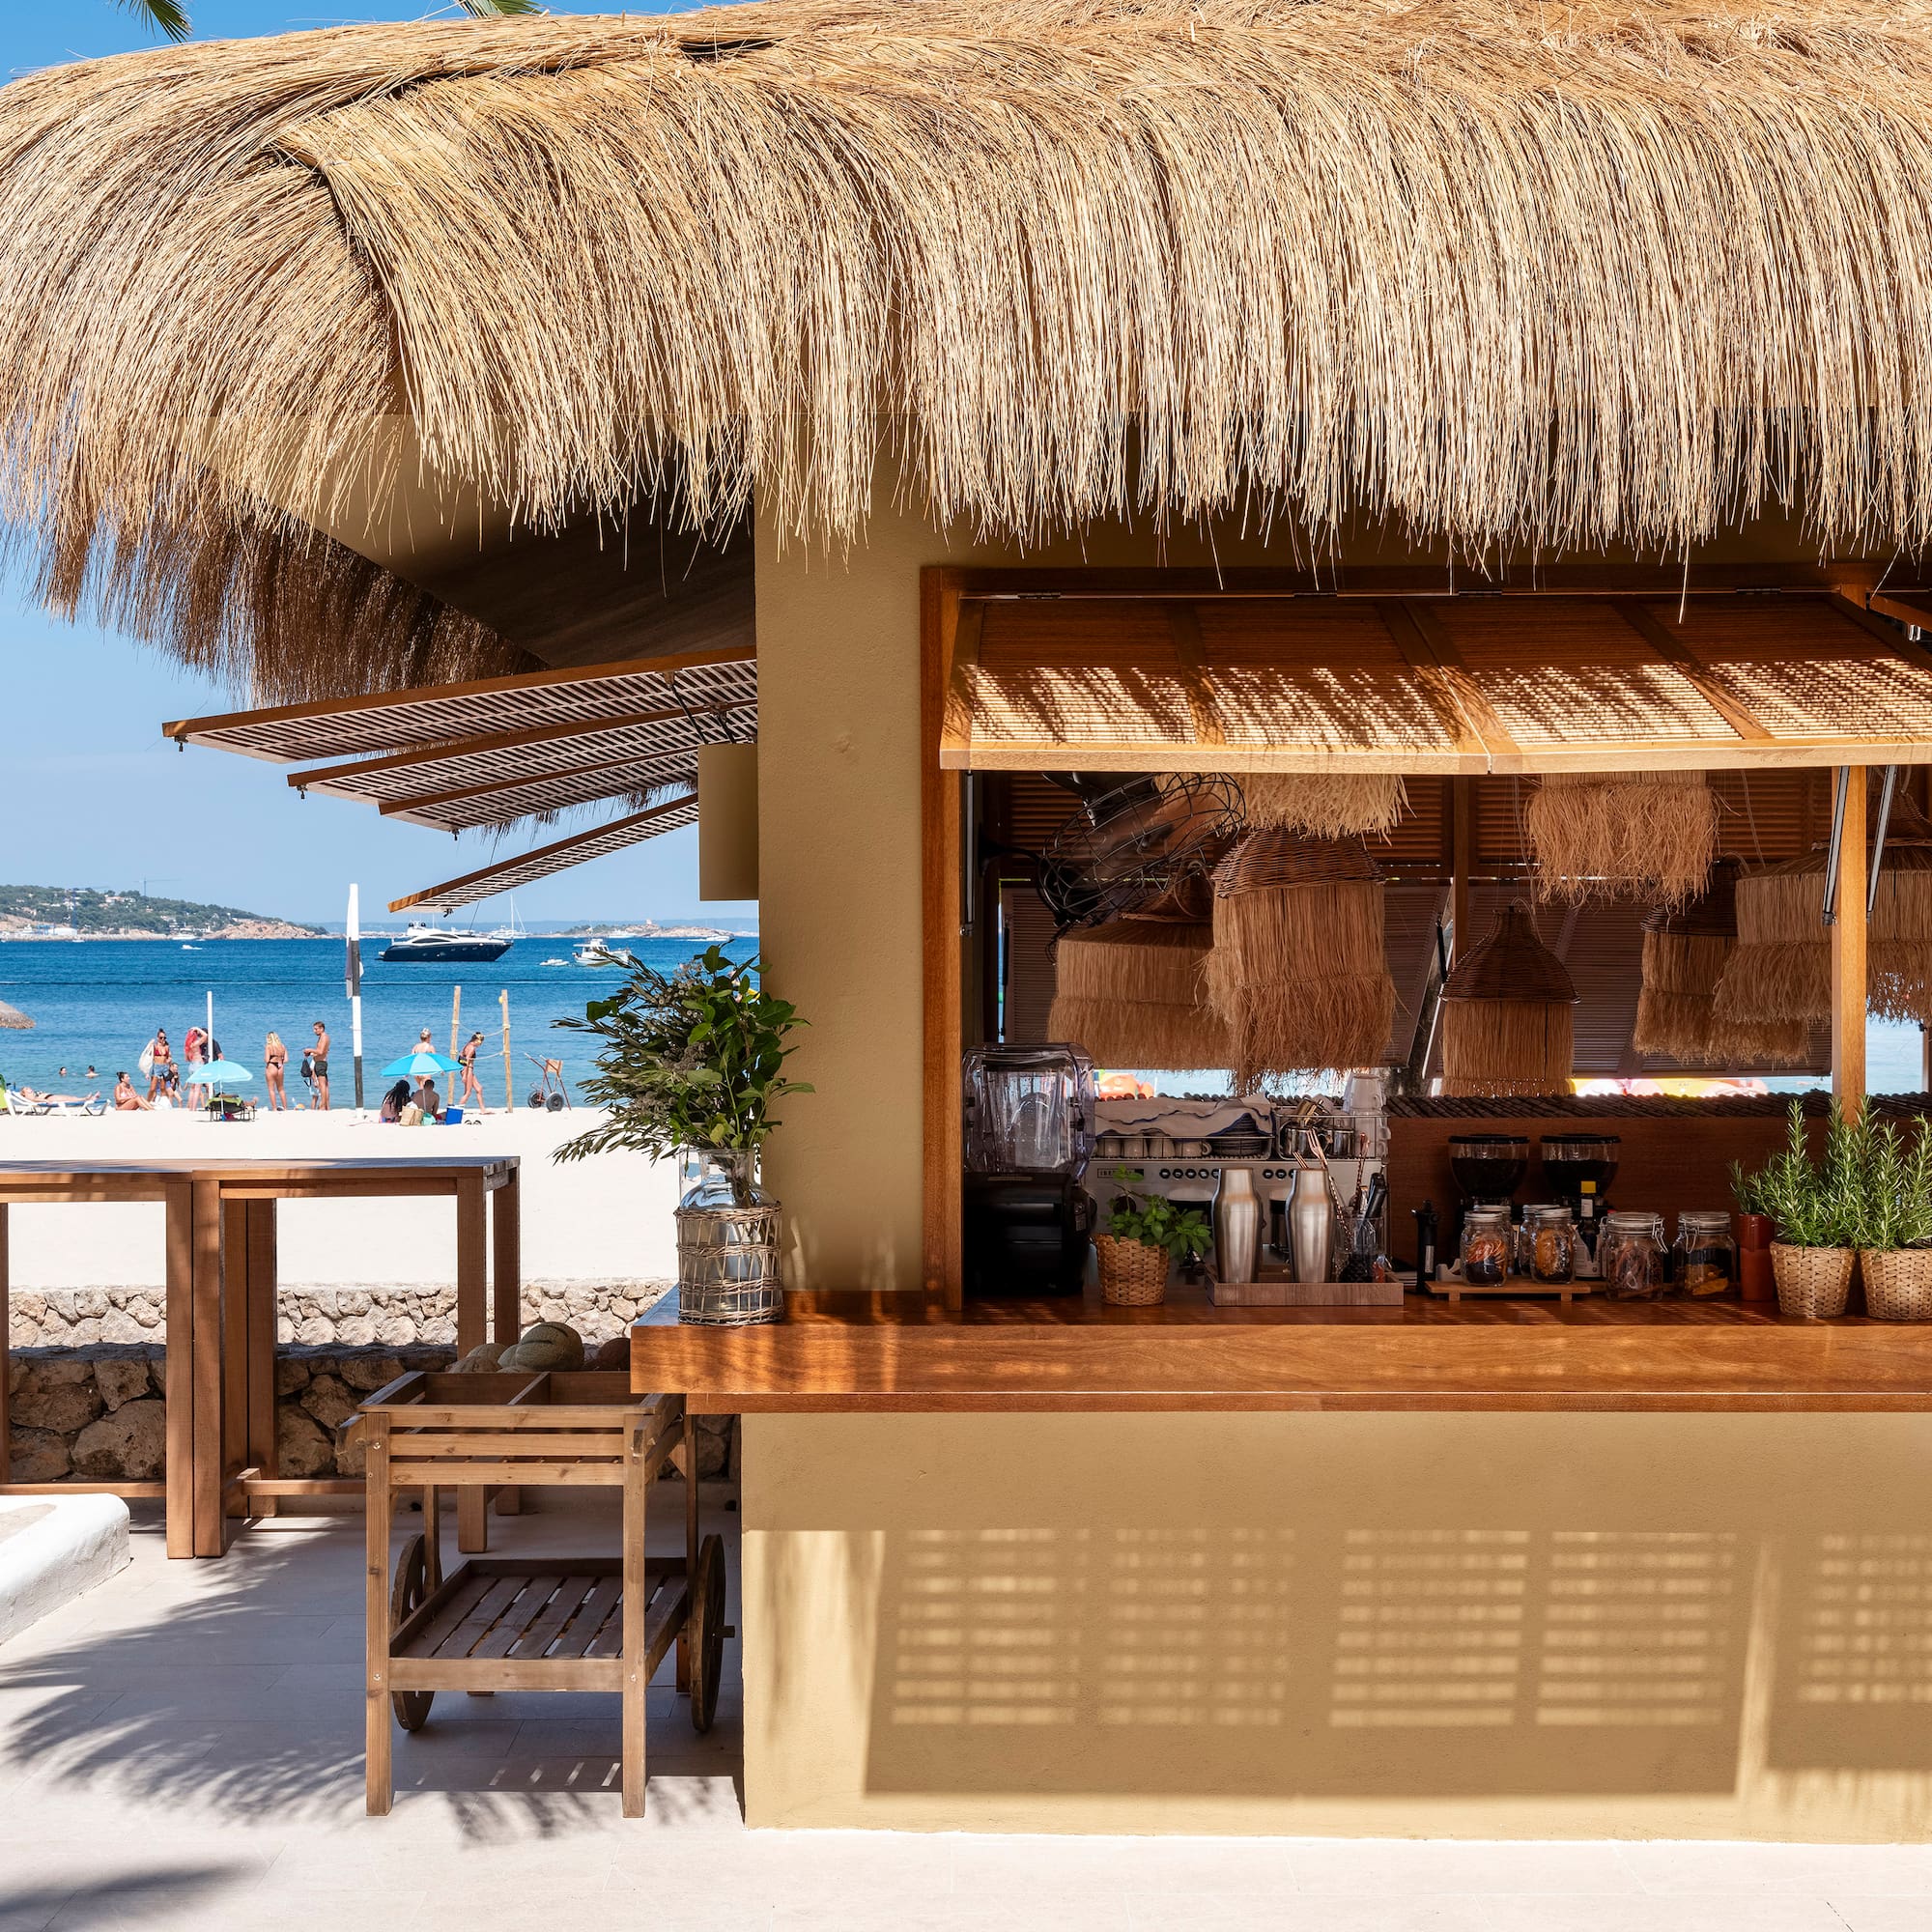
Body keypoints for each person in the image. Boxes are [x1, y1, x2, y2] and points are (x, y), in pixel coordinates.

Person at [263, 1031, 290, 1112]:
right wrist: (279, 1061)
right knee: (281, 1089)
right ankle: (285, 1108)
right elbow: (286, 1060)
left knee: (271, 1089)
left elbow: (267, 1059)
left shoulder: (268, 1046)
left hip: (271, 1066)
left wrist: (265, 1059)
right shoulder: (282, 1046)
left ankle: (274, 1108)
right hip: (280, 1067)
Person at [459, 1031, 486, 1111]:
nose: (480, 1044)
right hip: (468, 1070)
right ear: (477, 1040)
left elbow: (461, 1057)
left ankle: (483, 1110)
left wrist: (462, 1070)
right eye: (480, 1042)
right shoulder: (472, 1048)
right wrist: (464, 1075)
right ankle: (458, 1110)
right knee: (467, 1092)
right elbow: (466, 1060)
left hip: (466, 1070)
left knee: (479, 1088)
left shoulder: (467, 1045)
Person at [310, 1021, 330, 1110]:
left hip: (321, 1063)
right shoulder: (323, 1037)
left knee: (322, 1085)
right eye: (314, 1029)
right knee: (325, 1085)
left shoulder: (324, 1037)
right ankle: (326, 1106)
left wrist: (309, 1049)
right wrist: (313, 1053)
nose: (314, 1031)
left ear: (321, 1028)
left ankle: (323, 1105)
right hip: (320, 1062)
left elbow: (321, 1051)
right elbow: (322, 1051)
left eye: (316, 1029)